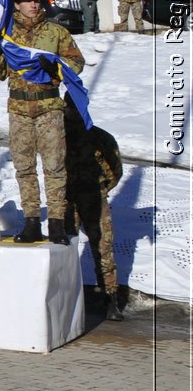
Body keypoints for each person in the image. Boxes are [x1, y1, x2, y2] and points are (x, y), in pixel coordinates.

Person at [0, 0, 86, 244]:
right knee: (24, 168)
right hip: (19, 108)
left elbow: (77, 64)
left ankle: (56, 222)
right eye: (26, 0)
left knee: (54, 167)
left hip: (48, 107)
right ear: (16, 4)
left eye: (36, 0)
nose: (33, 4)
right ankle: (31, 221)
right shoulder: (8, 34)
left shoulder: (55, 32)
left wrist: (54, 67)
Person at [65, 106, 125, 321]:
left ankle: (111, 300)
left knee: (103, 248)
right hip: (66, 200)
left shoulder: (99, 137)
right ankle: (66, 296)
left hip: (94, 198)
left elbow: (115, 169)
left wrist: (102, 190)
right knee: (64, 248)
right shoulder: (58, 135)